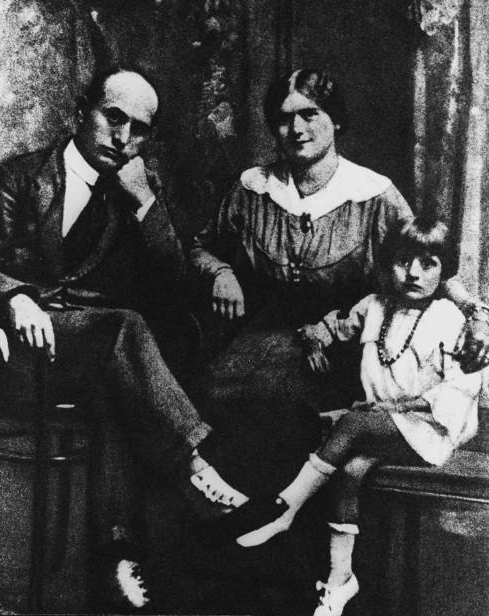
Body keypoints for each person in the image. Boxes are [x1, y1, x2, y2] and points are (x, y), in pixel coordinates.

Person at [0, 65, 246, 611]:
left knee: (118, 379)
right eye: (112, 117)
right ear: (80, 111)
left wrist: (145, 203)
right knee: (123, 328)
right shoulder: (19, 178)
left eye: (139, 128)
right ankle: (195, 470)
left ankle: (119, 552)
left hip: (84, 352)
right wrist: (15, 297)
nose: (123, 136)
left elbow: (173, 282)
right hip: (11, 349)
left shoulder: (134, 188)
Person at [190, 68, 488, 505]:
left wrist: (477, 315)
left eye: (309, 114)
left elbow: (428, 263)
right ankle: (225, 513)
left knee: (282, 402)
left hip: (345, 344)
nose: (296, 129)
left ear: (336, 120)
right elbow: (201, 246)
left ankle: (272, 518)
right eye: (283, 118)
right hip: (264, 331)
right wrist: (221, 272)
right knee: (214, 388)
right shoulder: (252, 188)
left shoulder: (373, 194)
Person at [234, 216, 482, 616]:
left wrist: (397, 408)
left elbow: (460, 389)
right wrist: (316, 337)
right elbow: (338, 326)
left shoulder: (450, 318)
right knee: (349, 471)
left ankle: (284, 507)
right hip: (379, 425)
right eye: (403, 261)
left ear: (444, 270)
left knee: (351, 423)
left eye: (428, 263)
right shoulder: (375, 306)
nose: (413, 273)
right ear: (388, 264)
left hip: (430, 429)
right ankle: (340, 579)